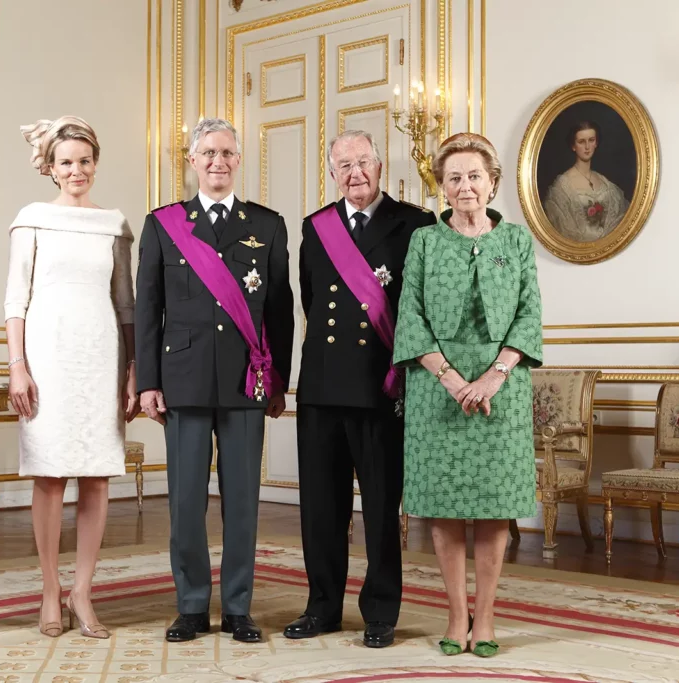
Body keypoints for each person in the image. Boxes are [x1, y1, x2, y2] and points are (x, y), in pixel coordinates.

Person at [134, 118, 294, 643]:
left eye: (227, 152)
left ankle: (240, 607)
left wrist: (277, 380)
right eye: (208, 153)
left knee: (243, 498)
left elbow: (280, 311)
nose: (218, 161)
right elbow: (148, 308)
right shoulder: (163, 224)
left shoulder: (267, 225)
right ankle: (192, 605)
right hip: (182, 377)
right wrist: (148, 382)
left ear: (238, 160)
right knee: (184, 500)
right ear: (192, 160)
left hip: (247, 380)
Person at [392, 133, 543, 658]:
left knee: (494, 506)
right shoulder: (424, 242)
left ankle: (488, 616)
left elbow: (529, 315)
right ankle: (457, 616)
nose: (464, 186)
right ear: (442, 184)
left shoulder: (518, 242)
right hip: (438, 391)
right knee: (445, 508)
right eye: (453, 177)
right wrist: (453, 380)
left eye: (474, 176)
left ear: (493, 182)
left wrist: (494, 376)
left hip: (502, 391)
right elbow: (408, 318)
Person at [284, 130, 435, 648]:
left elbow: (419, 308)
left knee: (379, 508)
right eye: (344, 165)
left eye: (363, 162)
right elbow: (308, 301)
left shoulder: (414, 224)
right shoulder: (316, 227)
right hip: (322, 387)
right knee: (320, 509)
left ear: (379, 165)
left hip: (380, 388)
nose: (355, 173)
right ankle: (322, 607)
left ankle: (380, 612)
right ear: (332, 172)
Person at [5, 116, 139, 640]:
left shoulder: (115, 224)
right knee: (50, 474)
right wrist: (18, 366)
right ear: (51, 168)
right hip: (47, 354)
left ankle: (83, 591)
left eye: (85, 161)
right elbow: (15, 299)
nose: (76, 170)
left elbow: (125, 303)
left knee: (97, 473)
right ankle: (48, 590)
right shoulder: (32, 218)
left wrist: (132, 370)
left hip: (101, 353)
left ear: (95, 164)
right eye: (66, 162)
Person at [542, 120, 630, 242]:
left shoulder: (604, 182)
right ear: (573, 146)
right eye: (581, 142)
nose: (587, 147)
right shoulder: (562, 185)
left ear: (596, 143)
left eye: (591, 140)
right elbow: (563, 230)